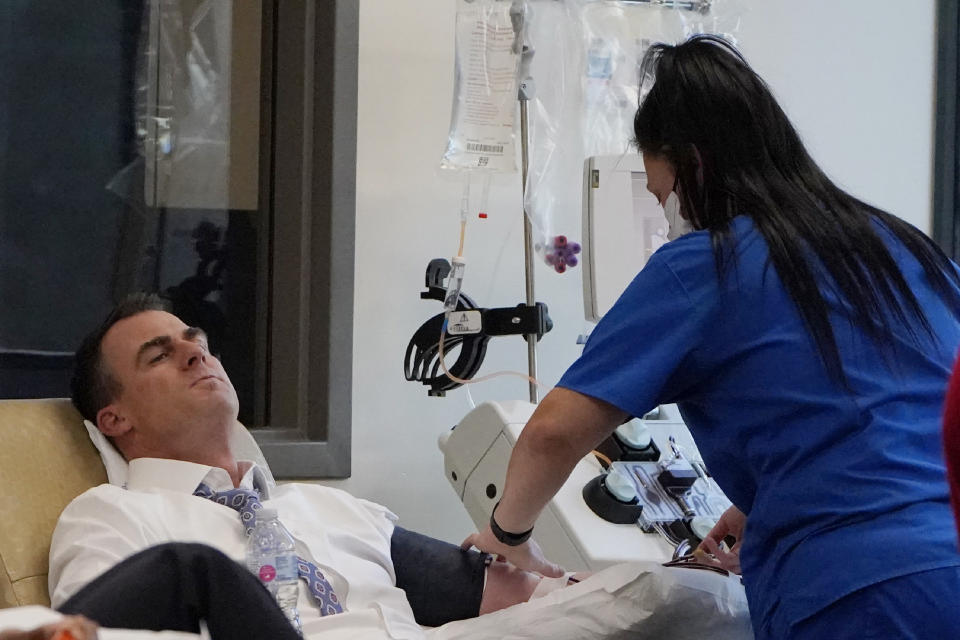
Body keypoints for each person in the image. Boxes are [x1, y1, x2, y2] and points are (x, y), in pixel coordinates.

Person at [461, 35, 960, 640]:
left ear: (693, 166)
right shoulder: (904, 247)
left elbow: (552, 433)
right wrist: (765, 504)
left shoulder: (705, 264)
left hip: (858, 592)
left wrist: (506, 537)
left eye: (660, 194)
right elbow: (891, 406)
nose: (666, 211)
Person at [51, 294, 552, 640]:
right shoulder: (110, 515)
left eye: (196, 342)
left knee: (620, 598)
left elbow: (520, 595)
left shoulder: (332, 506)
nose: (195, 355)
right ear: (114, 418)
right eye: (160, 356)